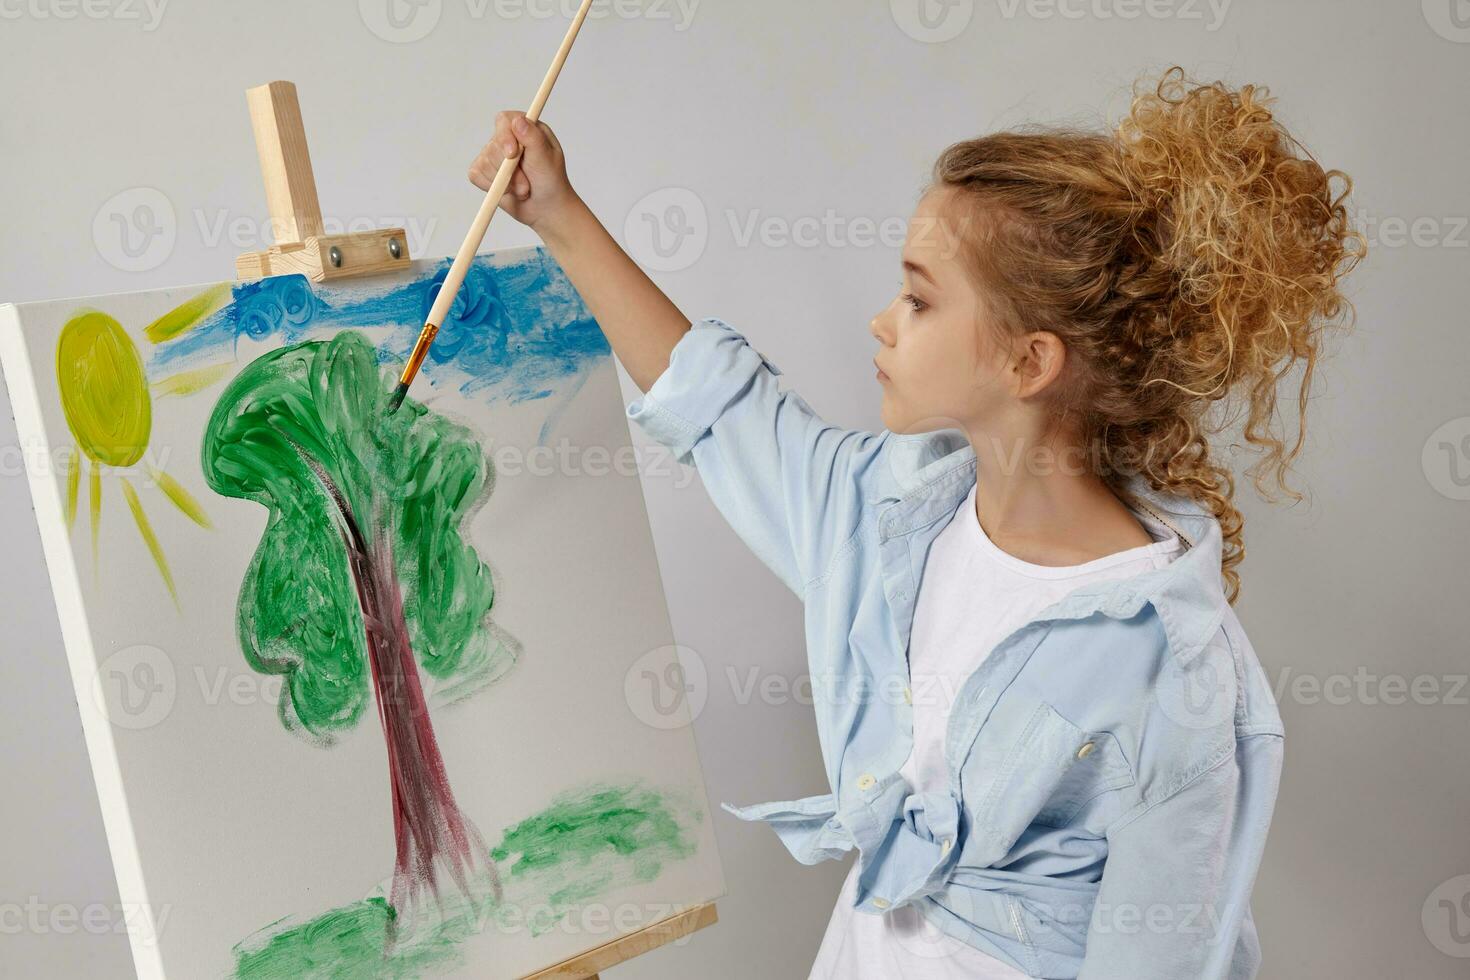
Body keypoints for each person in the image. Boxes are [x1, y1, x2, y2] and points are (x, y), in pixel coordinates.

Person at [468, 66, 1364, 978]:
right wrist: (559, 215)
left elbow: (1168, 955)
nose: (884, 323)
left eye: (920, 299)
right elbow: (722, 412)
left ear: (1030, 361)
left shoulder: (1174, 661)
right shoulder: (892, 516)